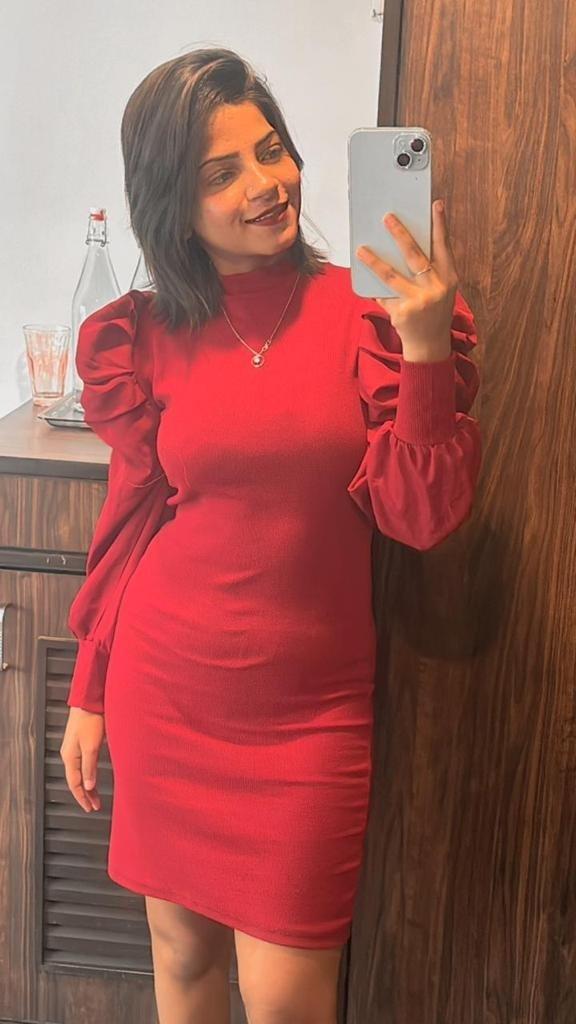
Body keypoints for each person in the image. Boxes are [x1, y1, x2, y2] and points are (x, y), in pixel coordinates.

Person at [59, 46, 482, 1024]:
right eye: (222, 172)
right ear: (172, 204)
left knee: (288, 1000)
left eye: (271, 150)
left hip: (308, 722)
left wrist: (424, 346)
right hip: (166, 692)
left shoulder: (369, 314)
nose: (266, 183)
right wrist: (90, 688)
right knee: (182, 962)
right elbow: (132, 521)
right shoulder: (146, 335)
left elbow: (420, 518)